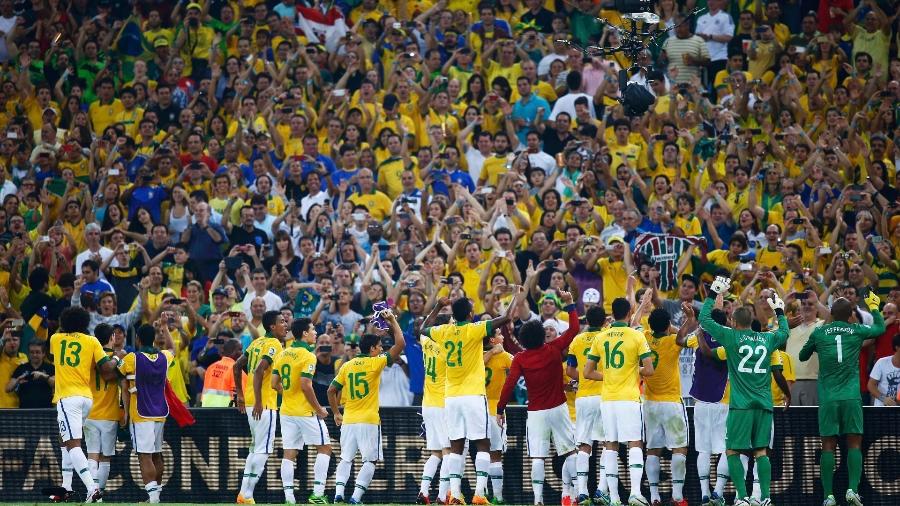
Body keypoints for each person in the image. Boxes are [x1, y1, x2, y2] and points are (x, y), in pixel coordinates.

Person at [421, 286, 525, 505]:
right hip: (473, 395)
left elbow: (422, 328)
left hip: (450, 397)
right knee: (483, 444)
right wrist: (516, 295)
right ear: (470, 315)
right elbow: (506, 317)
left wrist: (438, 306)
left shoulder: (444, 331)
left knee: (456, 446)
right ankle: (479, 494)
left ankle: (456, 495)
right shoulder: (474, 329)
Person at [697, 276, 789, 506]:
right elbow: (784, 333)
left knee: (732, 451)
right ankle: (766, 498)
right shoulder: (767, 338)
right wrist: (779, 311)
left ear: (734, 323)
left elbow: (704, 319)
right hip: (764, 404)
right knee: (761, 452)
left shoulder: (730, 336)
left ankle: (742, 497)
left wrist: (713, 292)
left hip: (741, 405)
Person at [800, 292, 885, 506]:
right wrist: (874, 307)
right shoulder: (855, 330)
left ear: (831, 314)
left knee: (828, 445)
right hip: (851, 397)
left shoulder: (820, 332)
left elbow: (802, 356)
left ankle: (828, 496)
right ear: (850, 315)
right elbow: (879, 329)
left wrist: (817, 345)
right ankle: (852, 490)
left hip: (828, 397)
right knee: (854, 443)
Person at [496, 290, 579, 506]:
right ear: (542, 336)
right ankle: (574, 493)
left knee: (538, 457)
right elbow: (574, 330)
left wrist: (499, 409)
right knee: (569, 452)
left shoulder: (521, 359)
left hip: (535, 413)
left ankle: (537, 499)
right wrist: (569, 304)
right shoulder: (553, 350)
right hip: (559, 408)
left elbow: (509, 385)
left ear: (523, 339)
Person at [327, 309, 406, 504]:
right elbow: (400, 344)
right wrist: (392, 321)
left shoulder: (347, 365)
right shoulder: (375, 363)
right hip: (369, 421)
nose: (381, 349)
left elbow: (330, 391)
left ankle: (338, 494)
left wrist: (336, 413)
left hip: (349, 420)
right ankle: (355, 497)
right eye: (379, 346)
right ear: (371, 348)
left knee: (346, 459)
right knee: (369, 461)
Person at [583, 293, 655, 506]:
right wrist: (632, 370)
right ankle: (634, 493)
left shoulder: (601, 336)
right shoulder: (636, 336)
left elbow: (587, 372)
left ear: (612, 314)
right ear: (630, 312)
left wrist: (611, 374)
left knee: (611, 445)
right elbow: (649, 370)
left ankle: (614, 498)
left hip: (608, 399)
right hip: (629, 398)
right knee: (634, 443)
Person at [50, 306, 120, 503]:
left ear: (64, 322)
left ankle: (92, 488)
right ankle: (66, 487)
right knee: (64, 440)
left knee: (73, 444)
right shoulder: (92, 341)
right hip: (87, 399)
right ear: (85, 323)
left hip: (67, 398)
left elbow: (53, 356)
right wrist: (115, 357)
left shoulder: (56, 339)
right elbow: (106, 367)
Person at [272, 318, 332, 504]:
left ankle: (289, 498)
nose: (315, 333)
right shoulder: (308, 356)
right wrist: (319, 409)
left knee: (289, 453)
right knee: (325, 448)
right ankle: (317, 494)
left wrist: (289, 393)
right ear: (305, 333)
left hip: (287, 410)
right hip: (305, 412)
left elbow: (274, 384)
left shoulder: (282, 354)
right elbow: (306, 386)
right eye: (313, 330)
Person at [233, 310, 287, 504]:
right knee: (263, 450)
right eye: (282, 321)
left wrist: (240, 395)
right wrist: (258, 400)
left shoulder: (256, 343)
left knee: (255, 449)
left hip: (250, 402)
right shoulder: (273, 344)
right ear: (272, 326)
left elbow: (237, 366)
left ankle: (243, 494)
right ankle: (247, 495)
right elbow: (258, 370)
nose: (286, 324)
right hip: (263, 404)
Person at [118, 322, 175, 504]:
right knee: (157, 454)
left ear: (138, 339)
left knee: (144, 455)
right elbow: (173, 348)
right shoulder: (164, 357)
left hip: (140, 413)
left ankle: (153, 498)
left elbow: (122, 383)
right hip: (160, 412)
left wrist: (125, 414)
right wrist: (165, 329)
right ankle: (155, 497)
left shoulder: (132, 359)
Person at [639, 307, 689, 506]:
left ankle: (654, 497)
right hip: (671, 403)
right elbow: (681, 335)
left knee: (653, 449)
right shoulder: (672, 341)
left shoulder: (644, 338)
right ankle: (677, 497)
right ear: (668, 325)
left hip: (649, 403)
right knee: (679, 449)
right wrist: (683, 323)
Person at [565, 305, 610, 505]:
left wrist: (583, 380)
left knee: (584, 445)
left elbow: (570, 370)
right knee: (608, 445)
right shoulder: (607, 336)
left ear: (587, 321)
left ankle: (582, 492)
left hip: (583, 398)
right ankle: (601, 489)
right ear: (603, 321)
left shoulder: (577, 340)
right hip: (604, 395)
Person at [417, 314, 451, 505]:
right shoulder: (447, 348)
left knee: (436, 452)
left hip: (428, 404)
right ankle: (441, 495)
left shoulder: (426, 342)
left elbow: (423, 327)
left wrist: (436, 307)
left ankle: (423, 491)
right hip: (443, 404)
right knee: (448, 450)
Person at [84, 324, 119, 496]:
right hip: (109, 415)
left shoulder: (89, 358)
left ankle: (93, 492)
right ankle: (99, 493)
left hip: (90, 413)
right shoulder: (119, 358)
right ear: (112, 337)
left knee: (92, 455)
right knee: (105, 458)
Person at [7, 340, 55, 407]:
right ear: (28, 353)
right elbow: (8, 389)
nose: (34, 355)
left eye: (37, 352)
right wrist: (18, 380)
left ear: (43, 353)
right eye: (32, 352)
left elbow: (56, 385)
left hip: (46, 411)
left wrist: (44, 377)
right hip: (24, 412)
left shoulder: (50, 368)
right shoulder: (21, 368)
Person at [199, 338, 241, 407]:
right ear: (233, 351)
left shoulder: (211, 368)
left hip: (207, 411)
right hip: (227, 413)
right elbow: (239, 397)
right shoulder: (237, 370)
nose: (242, 353)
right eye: (240, 349)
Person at [868, 334, 900, 406]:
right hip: (881, 409)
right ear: (897, 347)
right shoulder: (882, 362)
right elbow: (871, 385)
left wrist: (898, 399)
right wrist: (883, 398)